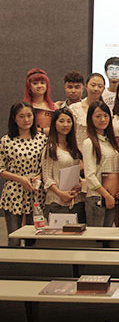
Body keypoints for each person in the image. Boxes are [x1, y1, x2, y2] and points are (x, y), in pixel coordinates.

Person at [0, 102, 47, 245]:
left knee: (35, 237)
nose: (26, 120)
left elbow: (47, 165)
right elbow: (1, 169)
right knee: (14, 238)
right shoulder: (6, 140)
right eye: (21, 116)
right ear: (14, 118)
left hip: (36, 191)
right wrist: (21, 179)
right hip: (14, 192)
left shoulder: (41, 139)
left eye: (29, 115)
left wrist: (39, 176)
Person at [82, 100, 119, 227]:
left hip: (112, 196)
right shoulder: (89, 143)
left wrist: (118, 190)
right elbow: (89, 176)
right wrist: (106, 195)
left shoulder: (110, 142)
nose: (103, 119)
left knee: (108, 235)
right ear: (90, 118)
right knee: (96, 236)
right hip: (97, 198)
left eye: (105, 115)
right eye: (98, 116)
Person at [42, 108, 85, 224]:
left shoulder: (73, 147)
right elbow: (47, 177)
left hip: (75, 201)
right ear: (54, 123)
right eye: (61, 121)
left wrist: (80, 185)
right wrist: (61, 194)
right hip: (56, 202)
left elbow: (75, 172)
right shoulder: (50, 148)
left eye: (68, 121)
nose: (65, 125)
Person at [70, 73, 106, 152]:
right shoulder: (74, 108)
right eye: (93, 85)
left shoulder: (107, 110)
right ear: (86, 86)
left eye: (100, 86)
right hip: (79, 153)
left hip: (101, 153)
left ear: (104, 89)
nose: (96, 89)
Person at [24, 68, 56, 133]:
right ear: (29, 87)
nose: (39, 86)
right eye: (35, 83)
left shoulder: (55, 107)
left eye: (42, 83)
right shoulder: (24, 107)